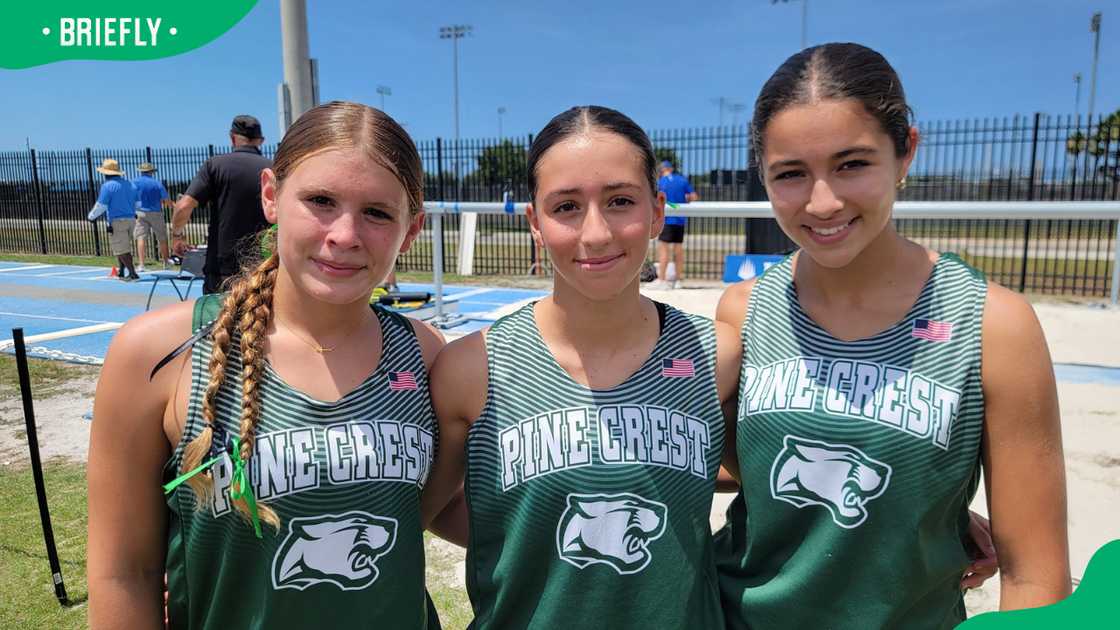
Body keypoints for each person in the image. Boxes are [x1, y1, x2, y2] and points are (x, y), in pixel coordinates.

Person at [714, 43, 1070, 628]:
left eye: (852, 163)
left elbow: (1035, 574)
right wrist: (914, 503)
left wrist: (932, 504)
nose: (822, 201)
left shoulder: (993, 325)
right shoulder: (744, 313)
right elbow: (741, 466)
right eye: (791, 174)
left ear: (906, 151)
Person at [87, 101, 444, 628]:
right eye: (321, 200)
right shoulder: (158, 354)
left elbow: (468, 508)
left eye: (376, 212)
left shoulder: (429, 354)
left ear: (409, 231)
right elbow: (123, 573)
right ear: (272, 196)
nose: (345, 234)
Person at [422, 106, 744, 628]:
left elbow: (749, 472)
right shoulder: (471, 370)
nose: (595, 233)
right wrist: (530, 532)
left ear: (658, 211)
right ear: (535, 222)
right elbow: (430, 506)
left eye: (620, 201)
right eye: (567, 206)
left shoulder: (716, 356)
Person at [171, 114, 273, 294]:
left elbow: (183, 206)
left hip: (222, 267)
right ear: (261, 141)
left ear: (232, 138)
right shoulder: (273, 168)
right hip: (264, 265)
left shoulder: (215, 165)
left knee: (220, 320)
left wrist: (177, 236)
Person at [87, 158, 141, 281]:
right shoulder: (130, 184)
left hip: (117, 221)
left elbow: (101, 205)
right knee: (123, 247)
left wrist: (91, 217)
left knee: (121, 249)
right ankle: (121, 271)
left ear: (106, 173)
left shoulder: (107, 186)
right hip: (132, 219)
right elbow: (138, 204)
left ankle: (132, 273)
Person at [653, 159, 698, 289]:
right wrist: (682, 202)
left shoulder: (661, 182)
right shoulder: (682, 180)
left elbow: (656, 198)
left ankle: (662, 279)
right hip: (680, 219)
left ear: (662, 170)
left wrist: (670, 204)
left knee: (663, 250)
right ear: (671, 169)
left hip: (667, 219)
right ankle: (678, 280)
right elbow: (694, 196)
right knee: (678, 250)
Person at [132, 161, 172, 272]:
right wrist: (173, 206)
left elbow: (131, 197)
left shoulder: (134, 182)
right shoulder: (157, 183)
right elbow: (166, 199)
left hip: (140, 212)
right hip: (156, 213)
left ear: (141, 171)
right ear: (151, 172)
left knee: (141, 237)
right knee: (162, 238)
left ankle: (141, 264)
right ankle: (166, 262)